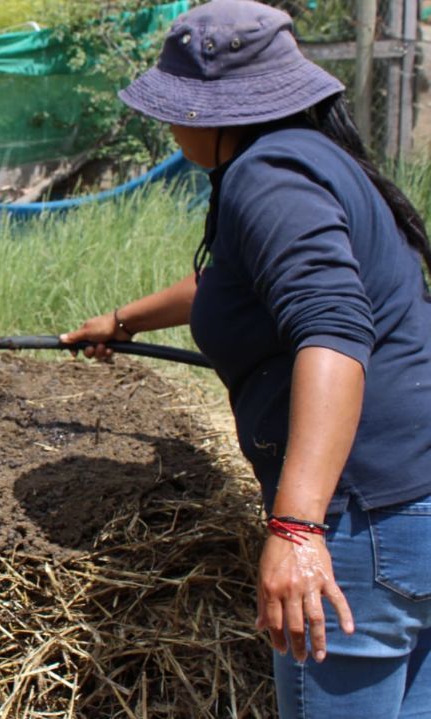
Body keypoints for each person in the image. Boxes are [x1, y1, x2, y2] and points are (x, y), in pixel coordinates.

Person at [61, 1, 431, 715]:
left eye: (176, 107)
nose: (169, 125)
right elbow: (243, 278)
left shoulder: (268, 177)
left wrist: (297, 528)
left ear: (214, 111)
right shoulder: (312, 158)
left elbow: (332, 329)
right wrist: (124, 320)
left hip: (366, 524)